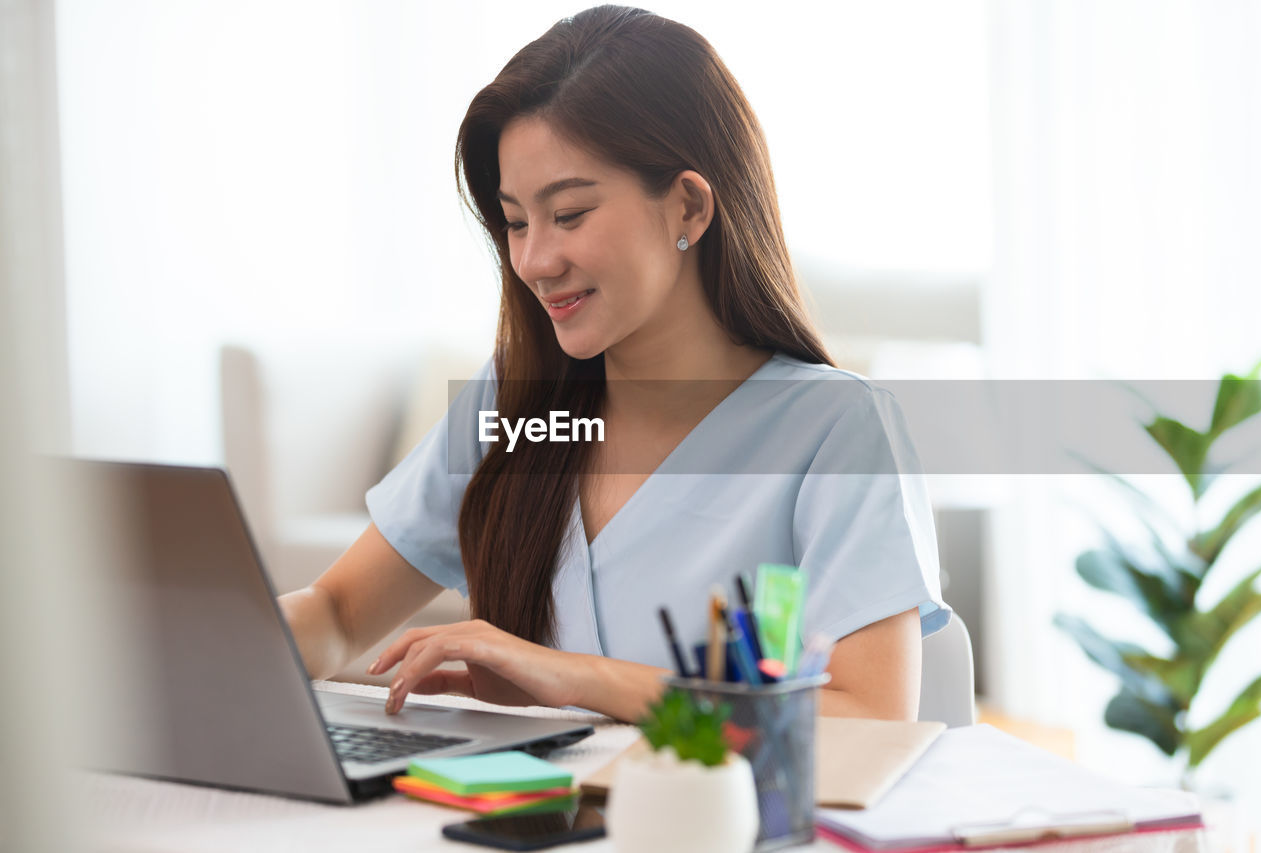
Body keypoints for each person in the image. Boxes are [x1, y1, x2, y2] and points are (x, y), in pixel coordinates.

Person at [280, 5, 949, 724]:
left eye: (569, 214)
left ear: (688, 206)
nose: (535, 259)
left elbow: (871, 717)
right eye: (514, 221)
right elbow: (340, 612)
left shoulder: (837, 431)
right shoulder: (517, 403)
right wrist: (189, 658)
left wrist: (576, 678)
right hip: (528, 826)